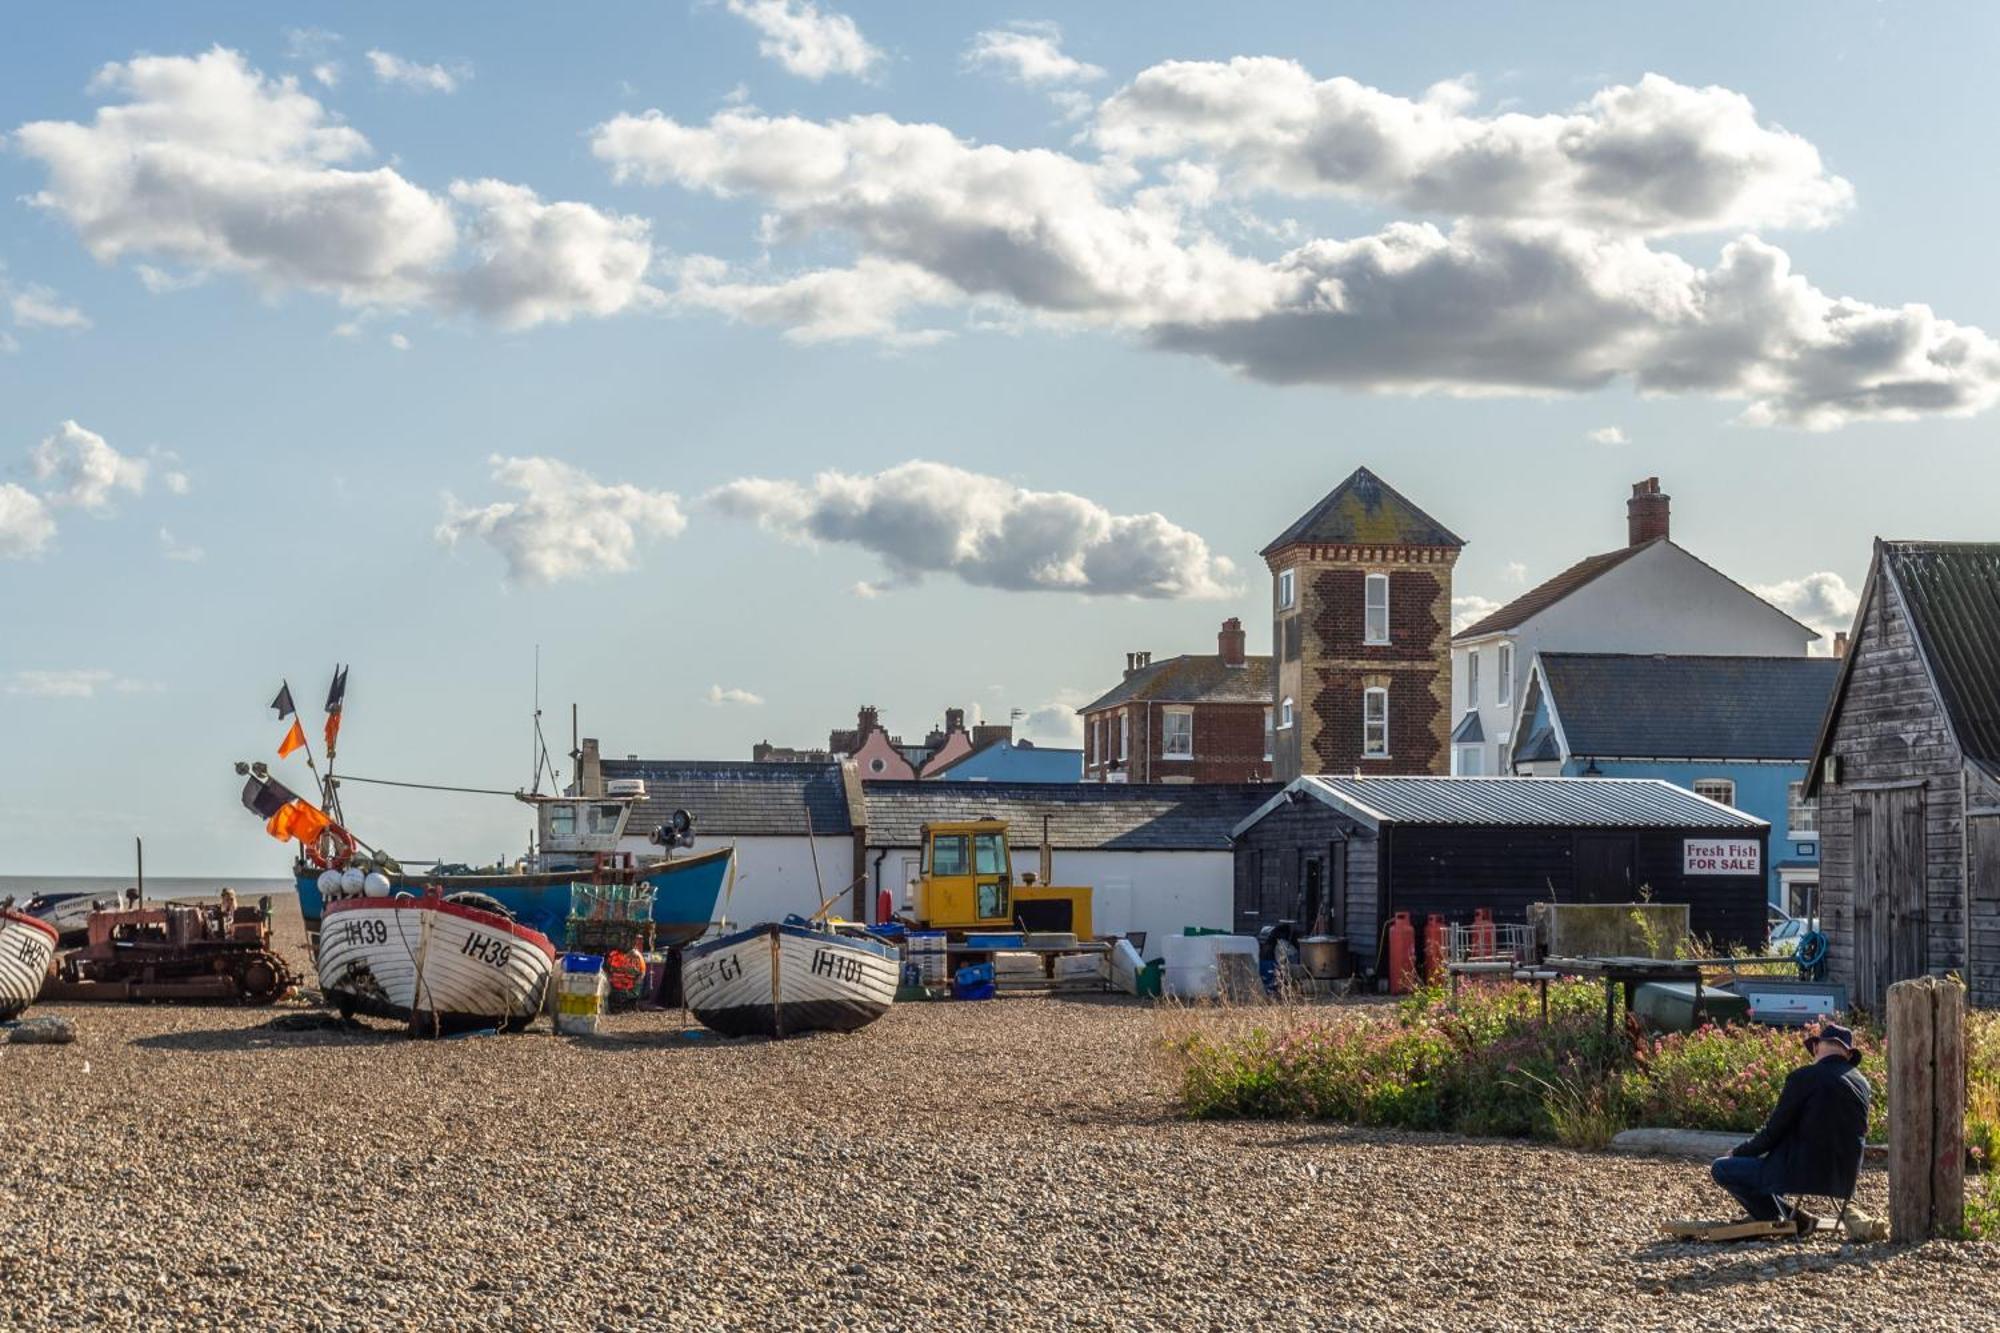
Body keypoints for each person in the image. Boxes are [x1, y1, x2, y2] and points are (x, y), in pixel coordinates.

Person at [1710, 1022, 1871, 1227]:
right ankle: (1779, 1214)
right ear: (1848, 1054)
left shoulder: (1803, 1077)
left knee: (1722, 1168)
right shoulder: (1863, 1084)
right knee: (1785, 1148)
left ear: (1816, 1047)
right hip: (1844, 1178)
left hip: (1799, 1174)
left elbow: (1772, 1132)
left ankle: (1786, 1218)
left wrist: (1738, 1152)